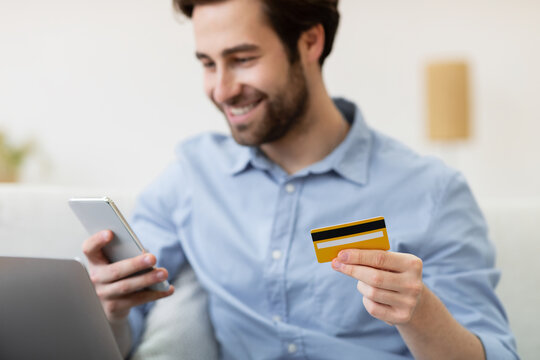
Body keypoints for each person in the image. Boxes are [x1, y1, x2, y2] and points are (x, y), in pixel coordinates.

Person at [82, 0, 518, 358]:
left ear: (310, 41)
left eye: (243, 59)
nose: (222, 88)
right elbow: (122, 340)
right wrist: (111, 309)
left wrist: (420, 314)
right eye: (208, 64)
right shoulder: (191, 177)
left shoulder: (432, 191)